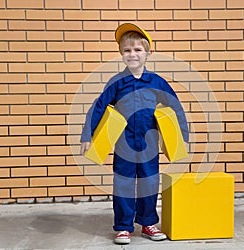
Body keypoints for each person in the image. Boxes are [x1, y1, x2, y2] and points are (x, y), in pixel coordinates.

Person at [80, 23, 189, 245]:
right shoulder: (117, 82)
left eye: (138, 50)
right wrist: (87, 135)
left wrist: (182, 137)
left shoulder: (157, 81)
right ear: (122, 54)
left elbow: (175, 107)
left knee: (149, 182)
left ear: (148, 53)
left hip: (149, 143)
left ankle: (148, 223)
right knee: (124, 184)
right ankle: (123, 227)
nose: (133, 54)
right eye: (127, 50)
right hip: (124, 143)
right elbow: (98, 107)